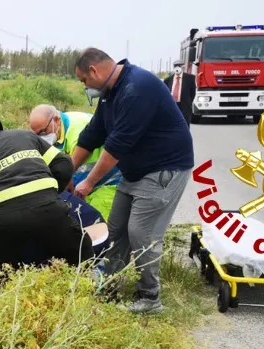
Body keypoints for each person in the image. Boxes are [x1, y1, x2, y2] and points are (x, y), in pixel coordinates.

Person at [72, 48, 195, 314]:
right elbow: (92, 135)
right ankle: (109, 285)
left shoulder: (137, 88)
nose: (85, 87)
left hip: (164, 170)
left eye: (84, 80)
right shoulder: (110, 94)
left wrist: (88, 182)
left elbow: (117, 146)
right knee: (115, 230)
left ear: (94, 71)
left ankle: (150, 299)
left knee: (142, 234)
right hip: (135, 172)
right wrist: (66, 172)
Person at [0, 103, 93, 281]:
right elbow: (64, 165)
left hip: (7, 225)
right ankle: (95, 295)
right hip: (51, 212)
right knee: (83, 254)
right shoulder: (25, 135)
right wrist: (48, 193)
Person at [28, 104, 121, 223]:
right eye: (37, 135)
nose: (42, 137)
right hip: (87, 184)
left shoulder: (77, 131)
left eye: (43, 131)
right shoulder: (58, 130)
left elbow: (71, 171)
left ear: (56, 120)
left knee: (100, 224)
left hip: (109, 182)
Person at [163, 60, 196, 126]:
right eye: (176, 66)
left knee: (185, 125)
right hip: (173, 105)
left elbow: (192, 93)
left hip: (184, 106)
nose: (177, 67)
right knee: (172, 124)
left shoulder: (190, 78)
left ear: (183, 67)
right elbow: (165, 93)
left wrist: (188, 102)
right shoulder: (167, 80)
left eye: (179, 66)